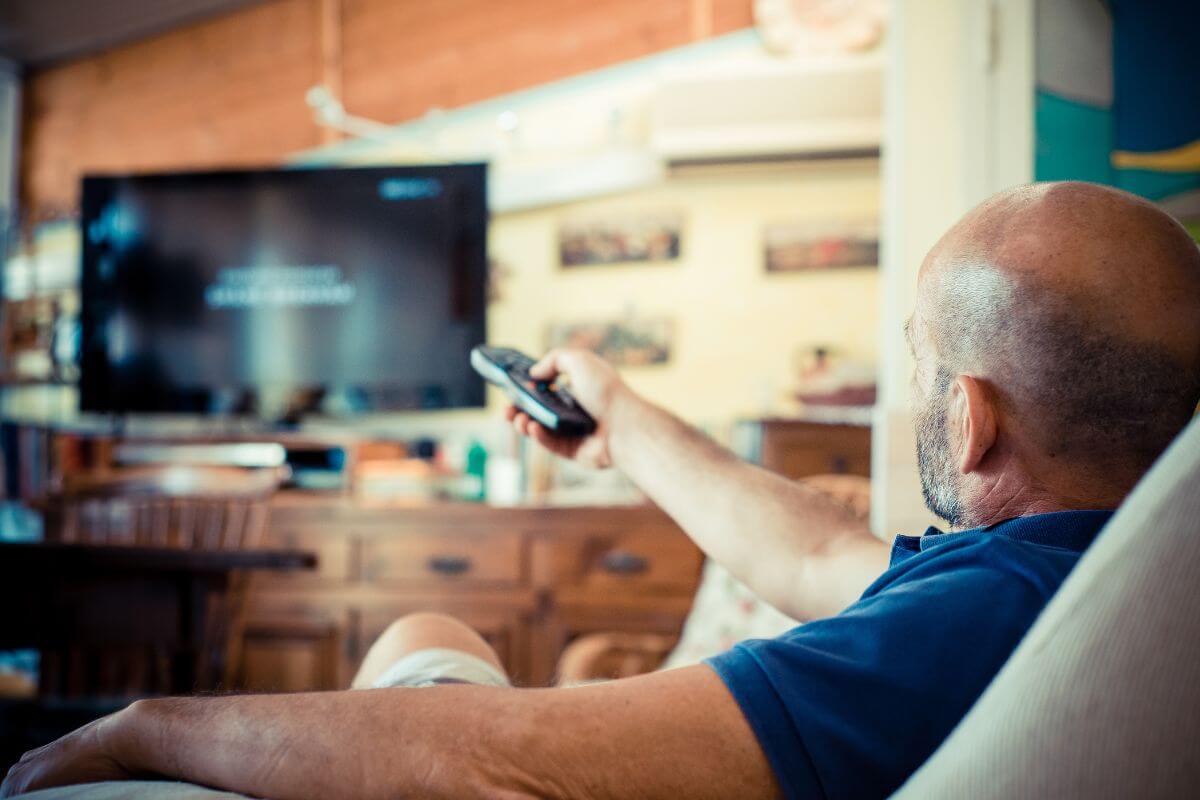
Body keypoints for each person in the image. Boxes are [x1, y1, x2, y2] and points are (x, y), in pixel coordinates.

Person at [5, 181, 1200, 800]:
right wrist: (620, 421)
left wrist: (153, 723)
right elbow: (818, 552)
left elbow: (503, 756)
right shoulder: (1090, 578)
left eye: (921, 361)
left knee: (415, 685)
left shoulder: (959, 626)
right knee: (429, 627)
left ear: (970, 417)